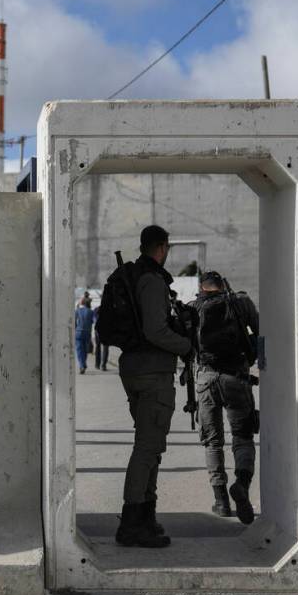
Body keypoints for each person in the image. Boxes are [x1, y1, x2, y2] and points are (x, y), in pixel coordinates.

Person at [114, 225, 192, 548]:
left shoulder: (137, 276)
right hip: (151, 372)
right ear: (161, 247)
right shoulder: (151, 279)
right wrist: (187, 346)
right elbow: (155, 331)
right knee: (147, 447)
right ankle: (132, 523)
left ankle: (146, 517)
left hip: (138, 369)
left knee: (151, 445)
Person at [188, 271, 260, 524]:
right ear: (223, 285)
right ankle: (242, 483)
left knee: (213, 442)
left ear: (201, 287)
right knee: (242, 437)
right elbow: (260, 335)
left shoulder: (193, 307)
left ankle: (221, 502)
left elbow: (186, 348)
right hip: (237, 378)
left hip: (205, 380)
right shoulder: (241, 302)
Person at [74, 296, 94, 375]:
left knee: (79, 350)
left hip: (78, 332)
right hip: (87, 333)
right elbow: (92, 322)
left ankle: (82, 365)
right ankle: (84, 364)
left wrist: (76, 328)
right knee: (85, 350)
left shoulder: (78, 310)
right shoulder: (91, 312)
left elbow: (74, 321)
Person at [93, 304, 109, 371]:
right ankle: (103, 365)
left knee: (98, 347)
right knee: (105, 347)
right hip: (106, 330)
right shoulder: (108, 309)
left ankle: (97, 364)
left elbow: (94, 319)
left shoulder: (96, 309)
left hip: (97, 330)